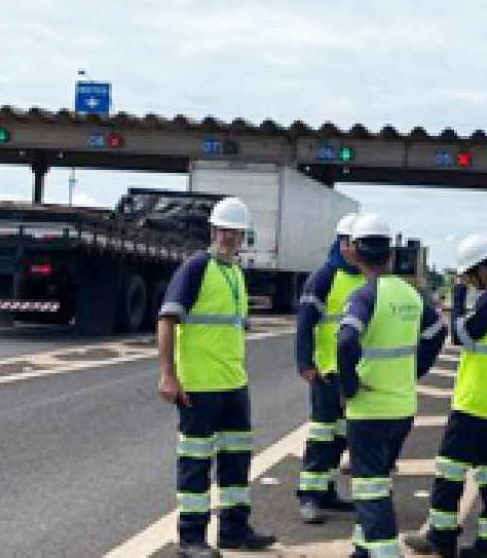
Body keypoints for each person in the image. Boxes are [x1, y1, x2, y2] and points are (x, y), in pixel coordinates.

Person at [156, 197, 276, 557]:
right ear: (213, 231)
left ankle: (234, 530)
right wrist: (168, 376)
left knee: (237, 459)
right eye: (222, 230)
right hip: (199, 386)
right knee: (195, 463)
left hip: (233, 384)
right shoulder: (195, 268)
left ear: (243, 236)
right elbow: (166, 321)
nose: (227, 237)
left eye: (234, 232)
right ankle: (191, 539)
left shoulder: (236, 273)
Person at [405, 234, 487, 558]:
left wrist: (457, 297)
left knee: (449, 470)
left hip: (476, 402)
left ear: (481, 270)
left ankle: (441, 538)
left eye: (469, 276)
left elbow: (461, 335)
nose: (468, 282)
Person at [337, 213, 447, 557]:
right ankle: (362, 549)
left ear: (355, 251)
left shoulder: (364, 295)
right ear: (390, 252)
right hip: (402, 408)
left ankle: (384, 551)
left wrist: (349, 385)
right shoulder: (412, 294)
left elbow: (345, 341)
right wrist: (415, 370)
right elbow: (437, 331)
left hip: (369, 409)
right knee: (378, 483)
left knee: (369, 492)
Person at [294, 213, 364, 524]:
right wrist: (306, 364)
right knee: (322, 435)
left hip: (353, 374)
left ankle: (327, 491)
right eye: (349, 242)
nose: (353, 248)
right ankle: (309, 496)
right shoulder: (324, 277)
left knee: (340, 436)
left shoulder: (365, 277)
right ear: (340, 242)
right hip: (326, 372)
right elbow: (305, 324)